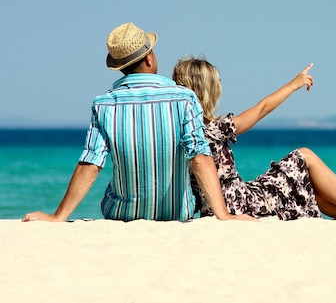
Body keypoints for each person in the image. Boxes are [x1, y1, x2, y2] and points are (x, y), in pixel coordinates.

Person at [23, 23, 253, 222]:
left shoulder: (104, 104)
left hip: (122, 214)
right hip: (177, 213)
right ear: (149, 57)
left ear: (119, 66)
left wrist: (58, 216)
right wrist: (224, 215)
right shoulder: (183, 98)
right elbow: (199, 159)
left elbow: (91, 164)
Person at [172, 56, 336, 219]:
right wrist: (295, 83)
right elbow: (262, 108)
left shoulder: (179, 132)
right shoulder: (213, 129)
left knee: (310, 190)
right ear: (209, 91)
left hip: (229, 202)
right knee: (305, 156)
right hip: (241, 204)